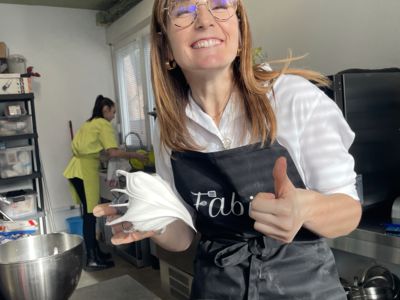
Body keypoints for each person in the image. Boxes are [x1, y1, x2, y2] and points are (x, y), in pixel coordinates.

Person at [94, 0, 362, 298]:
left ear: (239, 30)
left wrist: (304, 208)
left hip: (305, 289)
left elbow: (349, 211)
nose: (205, 20)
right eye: (184, 12)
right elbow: (183, 236)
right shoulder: (170, 129)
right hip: (217, 289)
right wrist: (151, 220)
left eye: (220, 5)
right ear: (166, 47)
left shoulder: (293, 98)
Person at [63, 95, 147, 271]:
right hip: (84, 171)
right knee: (90, 214)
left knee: (89, 213)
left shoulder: (89, 123)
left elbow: (100, 152)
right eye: (113, 112)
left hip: (76, 168)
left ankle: (96, 253)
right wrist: (136, 155)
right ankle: (92, 258)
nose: (114, 116)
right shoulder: (103, 124)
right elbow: (113, 153)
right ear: (105, 109)